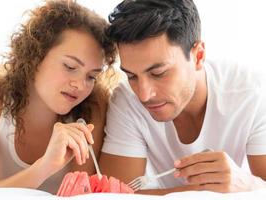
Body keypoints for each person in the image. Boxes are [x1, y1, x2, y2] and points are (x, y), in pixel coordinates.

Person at [99, 0, 266, 195]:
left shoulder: (252, 94)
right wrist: (200, 191)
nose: (144, 95)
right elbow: (115, 196)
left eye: (158, 73)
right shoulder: (126, 100)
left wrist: (250, 185)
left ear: (198, 56)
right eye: (131, 76)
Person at [0, 0, 117, 194]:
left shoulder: (95, 103)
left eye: (91, 76)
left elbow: (79, 194)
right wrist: (44, 167)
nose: (80, 85)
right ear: (35, 55)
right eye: (70, 67)